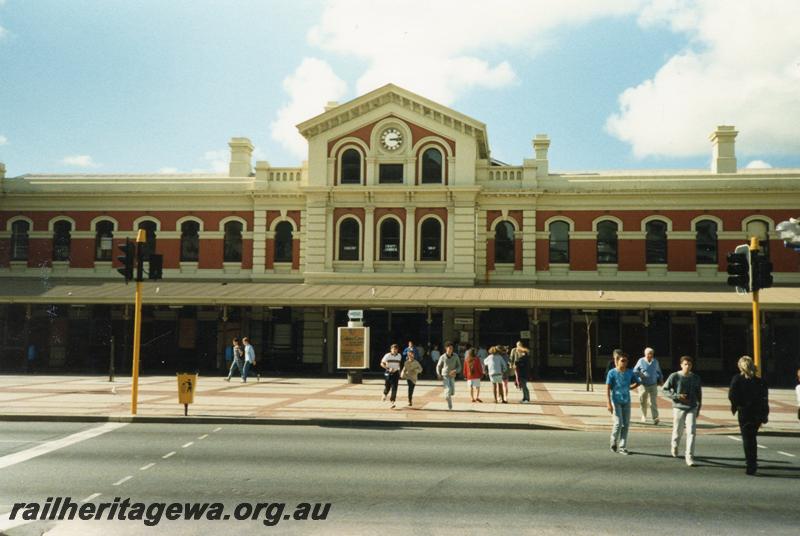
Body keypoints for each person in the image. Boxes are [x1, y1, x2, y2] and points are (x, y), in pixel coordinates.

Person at [728, 356, 769, 475]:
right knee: (753, 438)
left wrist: (738, 405)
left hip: (744, 412)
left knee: (747, 439)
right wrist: (765, 414)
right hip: (757, 413)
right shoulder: (761, 382)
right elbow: (764, 400)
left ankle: (750, 464)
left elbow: (731, 395)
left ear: (740, 366)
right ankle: (753, 462)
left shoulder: (737, 379)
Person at [661, 356, 702, 467]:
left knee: (692, 432)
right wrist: (677, 396)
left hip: (692, 407)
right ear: (681, 365)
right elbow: (664, 390)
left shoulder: (695, 377)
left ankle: (689, 456)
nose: (687, 366)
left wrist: (699, 407)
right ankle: (674, 444)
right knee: (678, 430)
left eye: (689, 364)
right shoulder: (675, 376)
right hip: (678, 407)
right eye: (685, 364)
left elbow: (699, 393)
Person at [606, 352, 639, 455]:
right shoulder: (612, 373)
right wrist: (608, 403)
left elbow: (637, 382)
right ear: (617, 361)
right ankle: (613, 440)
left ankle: (622, 446)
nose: (624, 363)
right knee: (618, 422)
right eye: (622, 361)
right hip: (616, 400)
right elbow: (607, 387)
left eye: (626, 361)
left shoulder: (630, 372)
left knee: (626, 424)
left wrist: (630, 388)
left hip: (626, 400)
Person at [634, 347, 664, 424]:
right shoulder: (641, 361)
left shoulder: (655, 362)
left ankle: (655, 418)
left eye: (651, 354)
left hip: (653, 385)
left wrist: (661, 380)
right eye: (648, 354)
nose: (649, 355)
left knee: (653, 402)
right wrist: (641, 374)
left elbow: (659, 371)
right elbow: (635, 370)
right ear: (645, 354)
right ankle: (644, 415)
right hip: (643, 385)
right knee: (642, 401)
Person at [436, 341, 461, 410]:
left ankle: (448, 395)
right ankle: (449, 404)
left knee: (452, 392)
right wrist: (438, 373)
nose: (450, 350)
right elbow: (438, 366)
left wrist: (455, 370)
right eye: (449, 348)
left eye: (452, 348)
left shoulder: (455, 356)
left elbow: (459, 366)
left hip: (452, 376)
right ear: (446, 348)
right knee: (448, 390)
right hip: (445, 376)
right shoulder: (443, 357)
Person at [381, 344, 402, 409]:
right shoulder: (387, 355)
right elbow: (381, 364)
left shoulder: (399, 355)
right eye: (393, 349)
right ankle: (384, 394)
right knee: (387, 386)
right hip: (388, 372)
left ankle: (392, 402)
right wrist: (388, 368)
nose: (394, 350)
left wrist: (400, 372)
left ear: (397, 350)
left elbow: (398, 364)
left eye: (396, 349)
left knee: (394, 388)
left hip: (395, 373)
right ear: (391, 349)